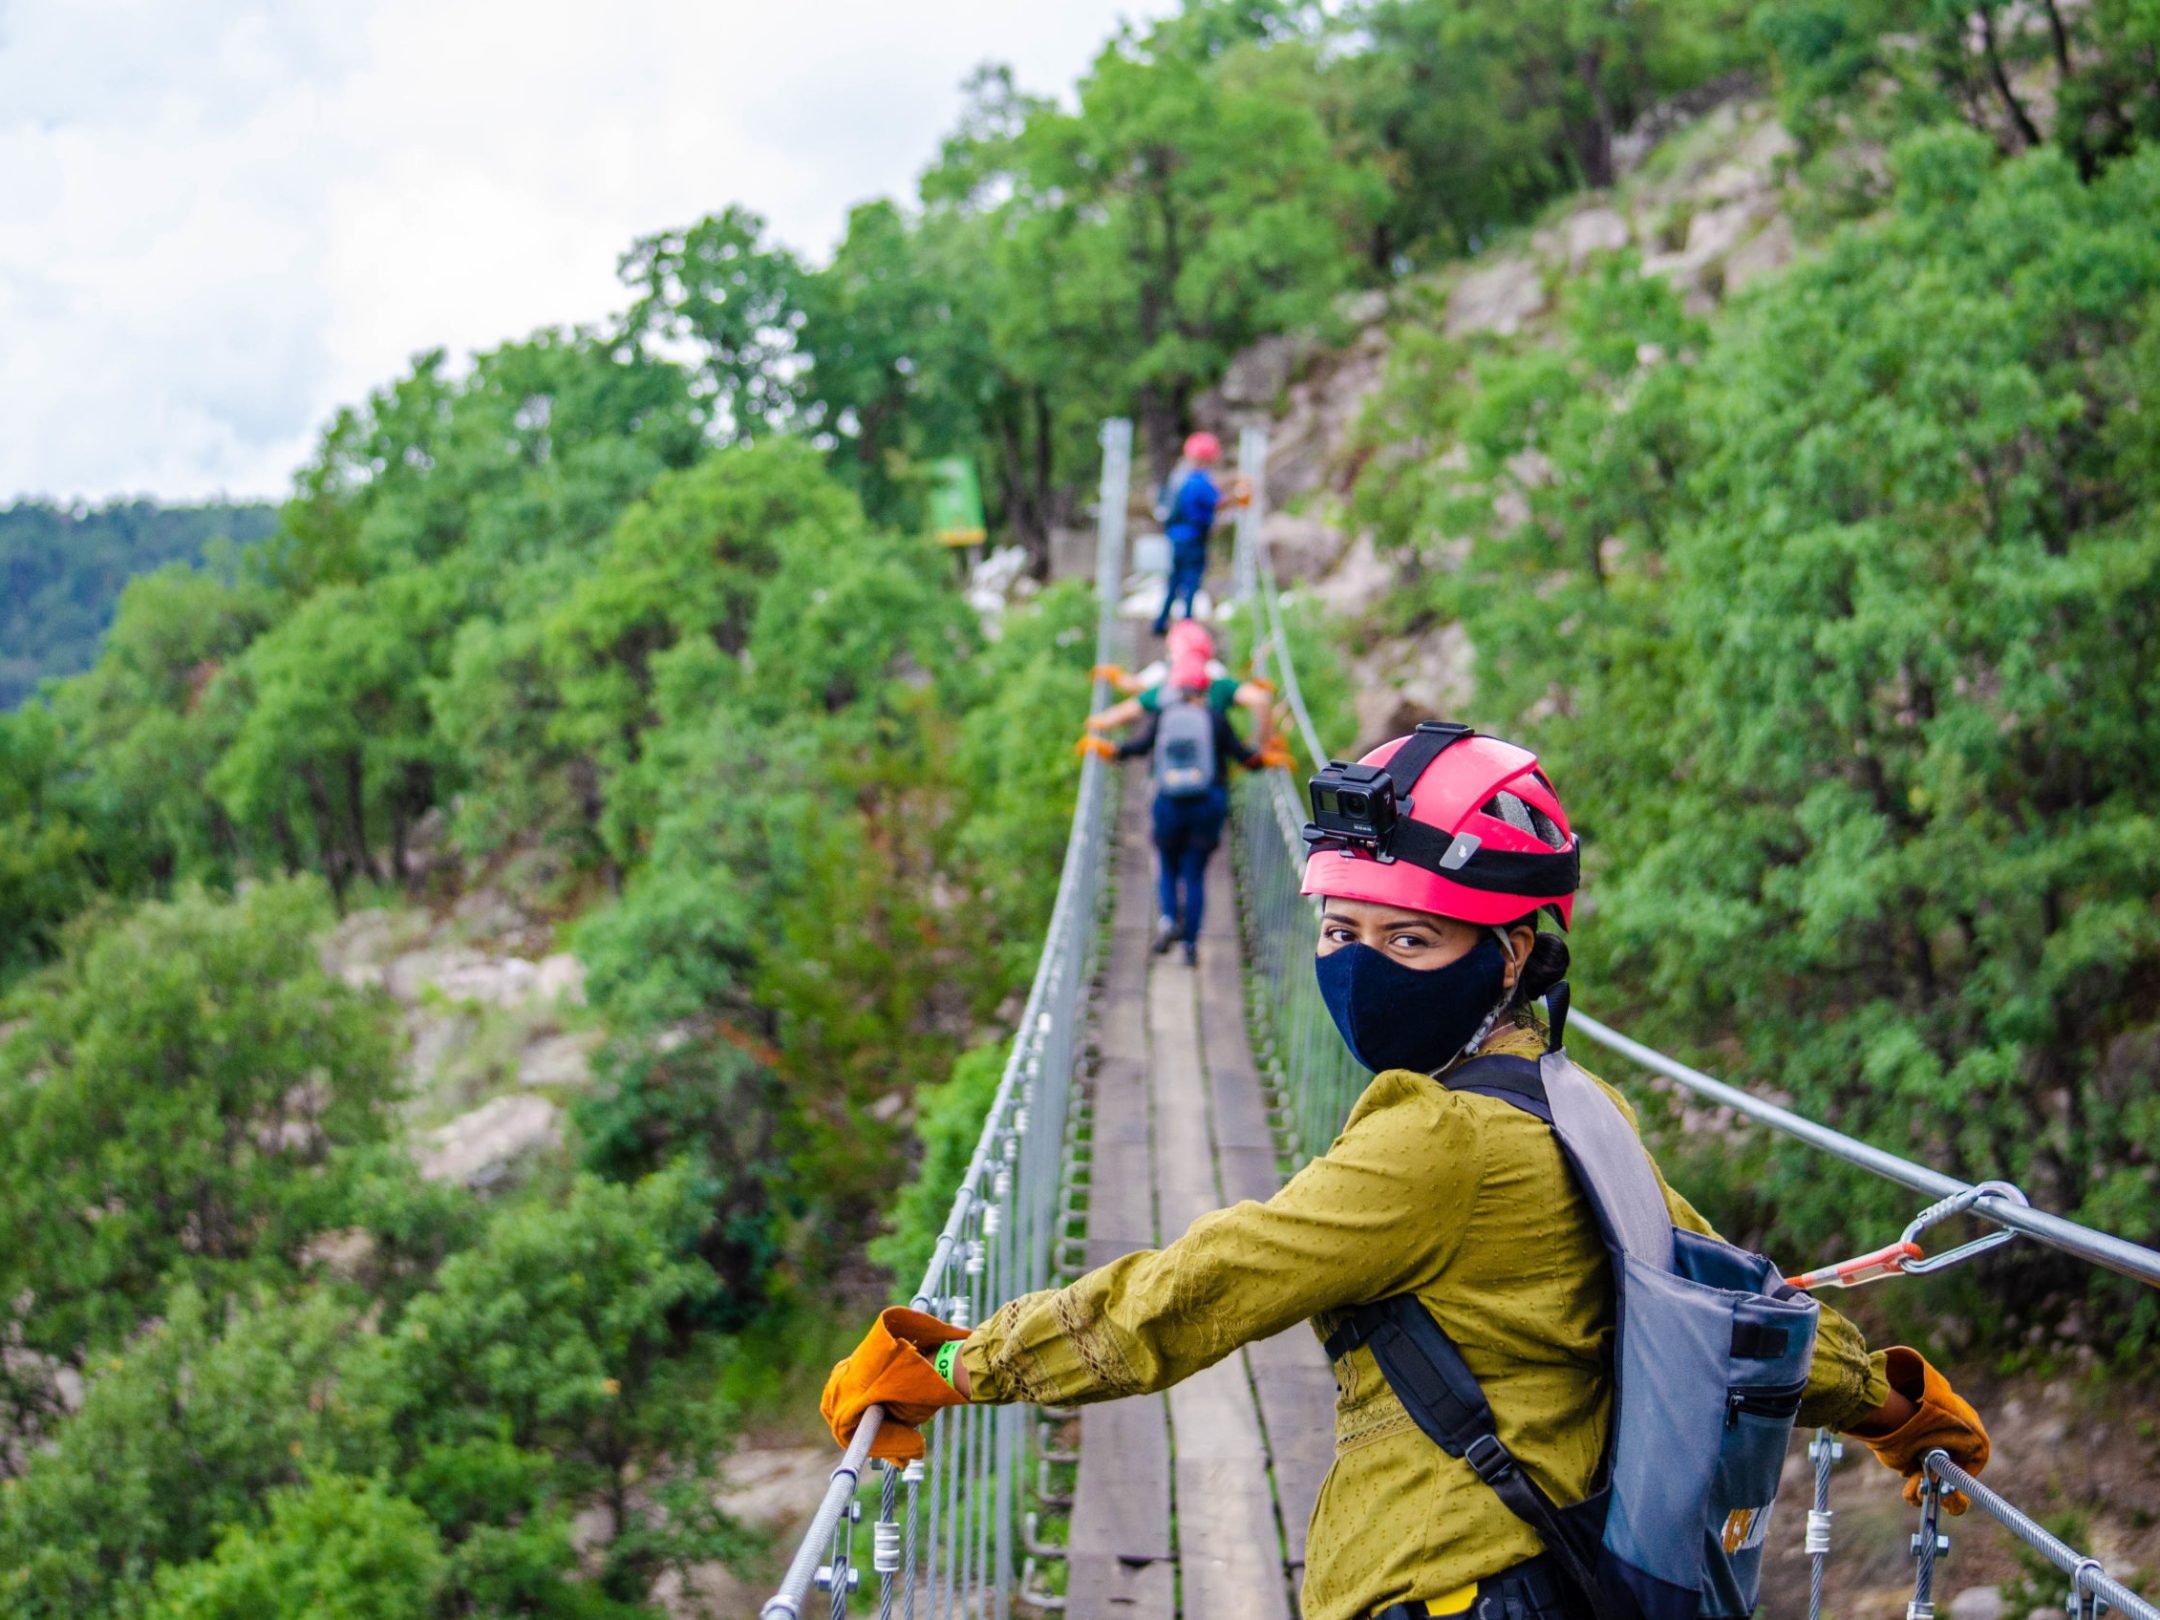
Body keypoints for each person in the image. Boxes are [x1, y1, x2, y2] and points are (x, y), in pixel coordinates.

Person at [823, 726, 1992, 1620]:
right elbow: (1735, 1293)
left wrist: (964, 1362)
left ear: (1513, 950)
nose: (1362, 967)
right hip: (1559, 1575)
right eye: (1341, 932)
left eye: (1412, 939)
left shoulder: (1430, 1140)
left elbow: (1209, 1280)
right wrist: (1893, 1404)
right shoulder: (1581, 1105)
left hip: (1444, 1584)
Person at [1079, 645, 1284, 965]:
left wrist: (1109, 750)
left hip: (1169, 802)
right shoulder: (1216, 718)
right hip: (1208, 804)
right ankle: (1190, 944)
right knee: (1195, 873)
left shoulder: (1164, 715)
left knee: (1167, 863)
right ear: (1204, 686)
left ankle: (1167, 920)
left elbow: (1138, 746)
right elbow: (1246, 758)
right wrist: (1268, 757)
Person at [1090, 619, 1277, 739]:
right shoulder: (1216, 677)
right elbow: (1258, 700)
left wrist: (1113, 677)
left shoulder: (1165, 682)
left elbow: (1135, 687)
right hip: (1212, 771)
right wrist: (1264, 741)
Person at [1152, 431, 1232, 636]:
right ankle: (1186, 624)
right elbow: (1217, 502)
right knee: (1191, 580)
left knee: (1174, 579)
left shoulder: (1179, 478)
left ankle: (1160, 622)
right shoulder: (1200, 481)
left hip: (1175, 537)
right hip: (1194, 538)